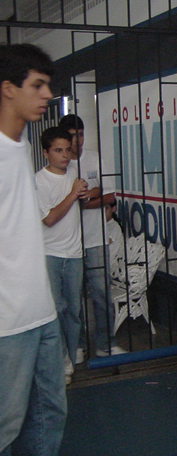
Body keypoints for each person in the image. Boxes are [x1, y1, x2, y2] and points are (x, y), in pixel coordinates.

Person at [0, 43, 67, 456]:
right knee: (5, 424)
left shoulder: (21, 144)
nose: (47, 95)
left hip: (40, 312)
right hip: (7, 322)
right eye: (38, 85)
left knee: (47, 416)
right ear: (8, 88)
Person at [58, 113, 125, 358]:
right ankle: (76, 346)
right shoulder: (61, 164)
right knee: (72, 298)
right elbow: (65, 203)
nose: (78, 141)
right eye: (72, 136)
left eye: (81, 134)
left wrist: (87, 200)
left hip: (96, 237)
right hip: (71, 241)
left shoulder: (96, 158)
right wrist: (90, 197)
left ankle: (106, 343)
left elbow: (110, 196)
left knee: (101, 293)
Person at [35, 127, 88, 385]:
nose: (65, 155)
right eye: (58, 150)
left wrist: (85, 194)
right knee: (56, 309)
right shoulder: (39, 181)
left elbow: (82, 202)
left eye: (67, 150)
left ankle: (71, 352)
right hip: (50, 253)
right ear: (46, 153)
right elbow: (49, 219)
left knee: (74, 309)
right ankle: (62, 359)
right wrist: (74, 194)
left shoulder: (74, 176)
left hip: (74, 252)